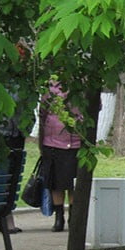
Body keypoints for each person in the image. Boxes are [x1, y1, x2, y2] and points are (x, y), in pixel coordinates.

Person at [38, 81, 82, 232]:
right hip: (52, 143)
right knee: (55, 183)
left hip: (75, 143)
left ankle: (73, 217)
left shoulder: (82, 87)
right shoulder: (49, 90)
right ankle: (59, 217)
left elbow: (96, 108)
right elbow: (42, 115)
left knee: (72, 183)